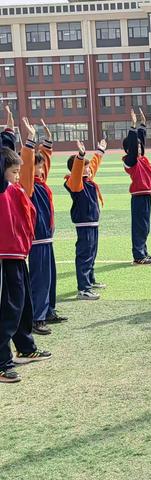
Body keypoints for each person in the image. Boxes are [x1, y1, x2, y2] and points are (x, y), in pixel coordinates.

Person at [0, 106, 51, 383]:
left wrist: (13, 134)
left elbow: (13, 160)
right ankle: (1, 360)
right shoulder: (2, 188)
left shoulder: (17, 187)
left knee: (22, 306)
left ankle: (25, 348)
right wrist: (10, 134)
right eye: (14, 171)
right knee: (9, 308)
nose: (19, 175)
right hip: (5, 256)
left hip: (19, 254)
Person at [20, 118, 67, 335]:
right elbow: (28, 165)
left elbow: (44, 162)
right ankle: (36, 317)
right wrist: (30, 141)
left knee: (49, 276)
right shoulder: (27, 186)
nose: (40, 170)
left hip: (47, 238)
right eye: (37, 167)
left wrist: (47, 141)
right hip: (37, 240)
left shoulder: (41, 184)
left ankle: (48, 310)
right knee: (39, 278)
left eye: (40, 167)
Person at [64, 139, 107, 300]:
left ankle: (90, 280)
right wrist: (80, 156)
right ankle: (83, 288)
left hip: (92, 223)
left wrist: (100, 151)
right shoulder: (74, 183)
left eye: (88, 167)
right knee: (85, 254)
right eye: (85, 167)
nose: (89, 170)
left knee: (92, 253)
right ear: (77, 169)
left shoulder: (87, 179)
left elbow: (94, 165)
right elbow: (77, 173)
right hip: (84, 224)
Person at [123, 108, 151, 265]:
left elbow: (140, 141)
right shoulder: (131, 161)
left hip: (146, 195)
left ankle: (143, 251)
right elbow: (133, 146)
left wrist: (143, 124)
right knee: (139, 226)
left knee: (145, 226)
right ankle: (138, 256)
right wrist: (133, 126)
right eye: (135, 146)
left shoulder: (142, 159)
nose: (140, 147)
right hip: (138, 196)